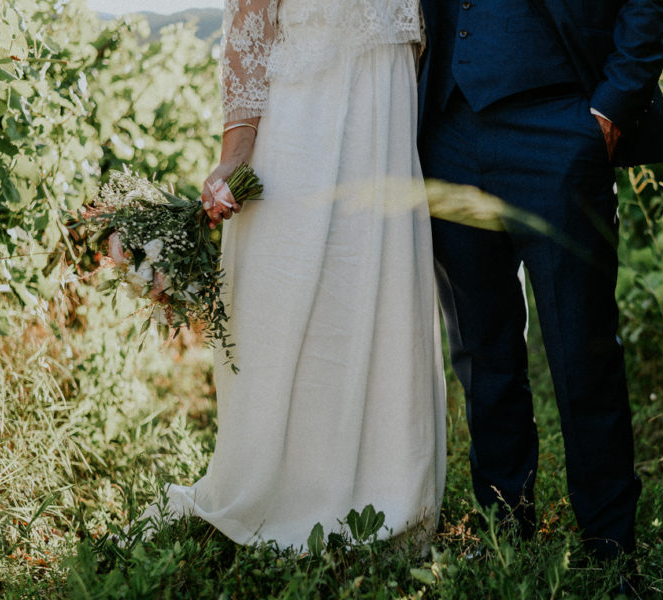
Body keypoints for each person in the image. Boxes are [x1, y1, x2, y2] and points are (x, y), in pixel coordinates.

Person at [140, 0, 447, 550]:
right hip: (303, 133)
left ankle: (387, 494)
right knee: (295, 307)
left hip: (384, 139)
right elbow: (248, 26)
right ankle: (289, 492)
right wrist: (236, 153)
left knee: (375, 306)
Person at [418, 0, 663, 560]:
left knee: (582, 354)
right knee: (481, 354)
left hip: (559, 127)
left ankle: (610, 551)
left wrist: (613, 107)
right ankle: (503, 535)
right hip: (447, 131)